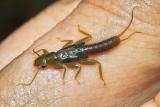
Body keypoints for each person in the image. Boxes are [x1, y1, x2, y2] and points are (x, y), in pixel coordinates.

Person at [0, 0, 159, 106]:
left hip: (88, 49)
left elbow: (70, 68)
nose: (43, 60)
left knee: (94, 62)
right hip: (88, 49)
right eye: (42, 60)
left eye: (42, 59)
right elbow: (67, 60)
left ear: (46, 58)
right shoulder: (56, 57)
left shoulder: (58, 63)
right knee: (95, 57)